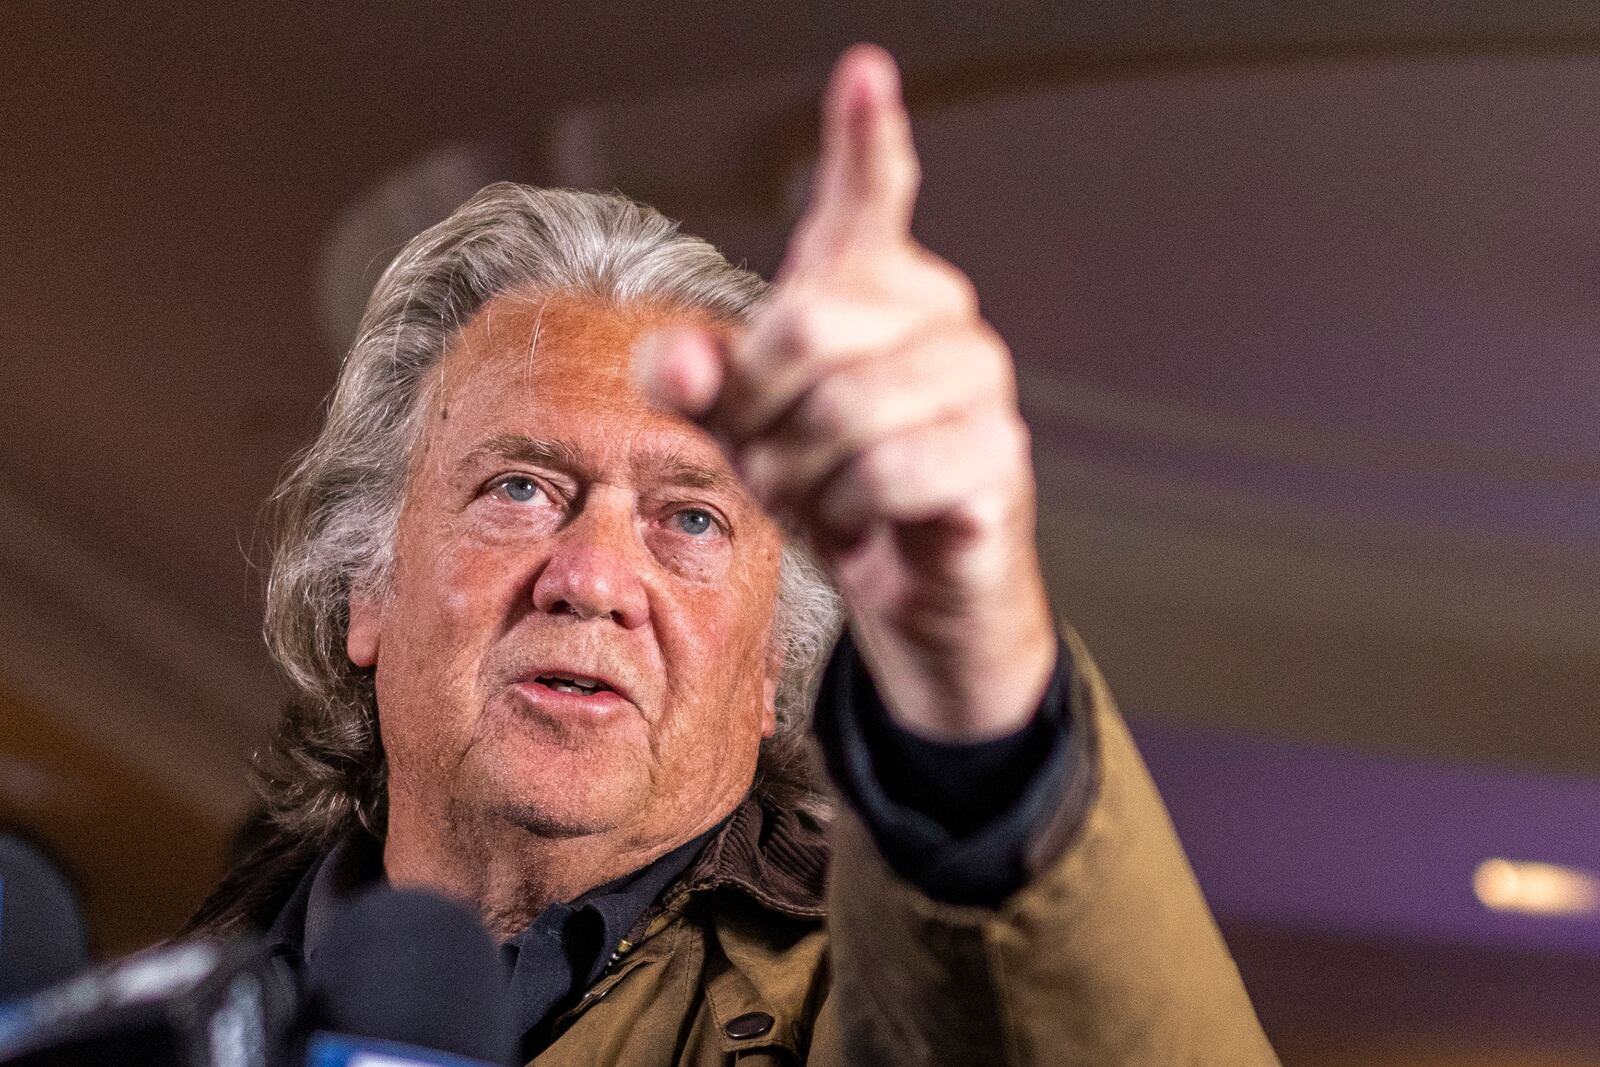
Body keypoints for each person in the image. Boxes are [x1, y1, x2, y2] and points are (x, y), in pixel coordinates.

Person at [188, 45, 1278, 1065]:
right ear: (363, 588)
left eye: (691, 518)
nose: (594, 578)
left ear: (770, 670)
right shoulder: (154, 1007)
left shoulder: (875, 1014)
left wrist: (972, 687)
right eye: (519, 489)